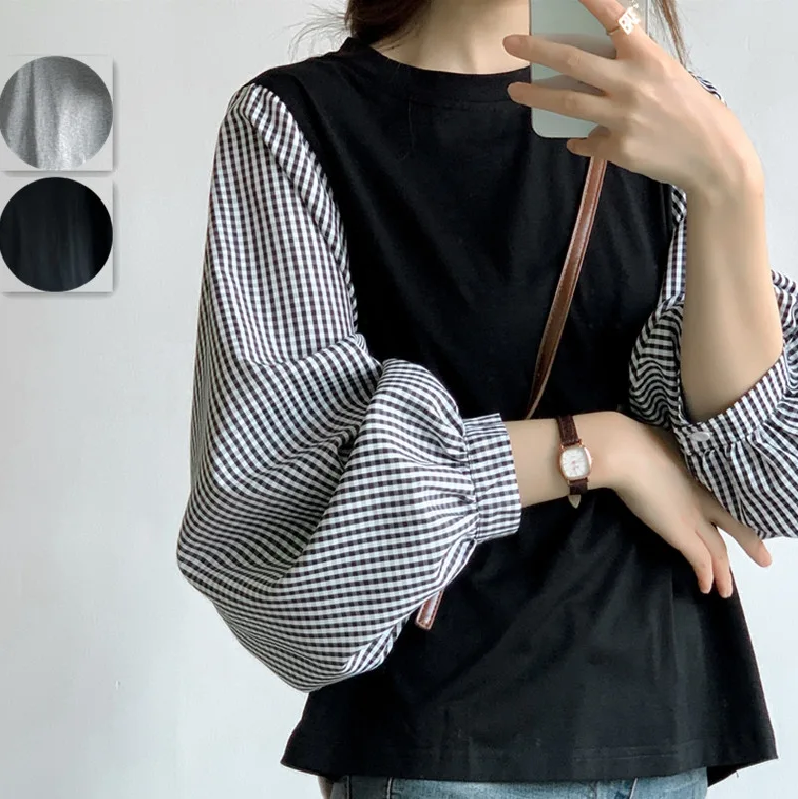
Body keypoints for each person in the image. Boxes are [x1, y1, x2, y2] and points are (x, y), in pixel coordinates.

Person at [175, 0, 798, 797]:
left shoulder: (664, 112)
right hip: (442, 738)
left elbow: (764, 479)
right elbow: (282, 500)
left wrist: (729, 183)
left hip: (661, 726)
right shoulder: (296, 122)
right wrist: (600, 448)